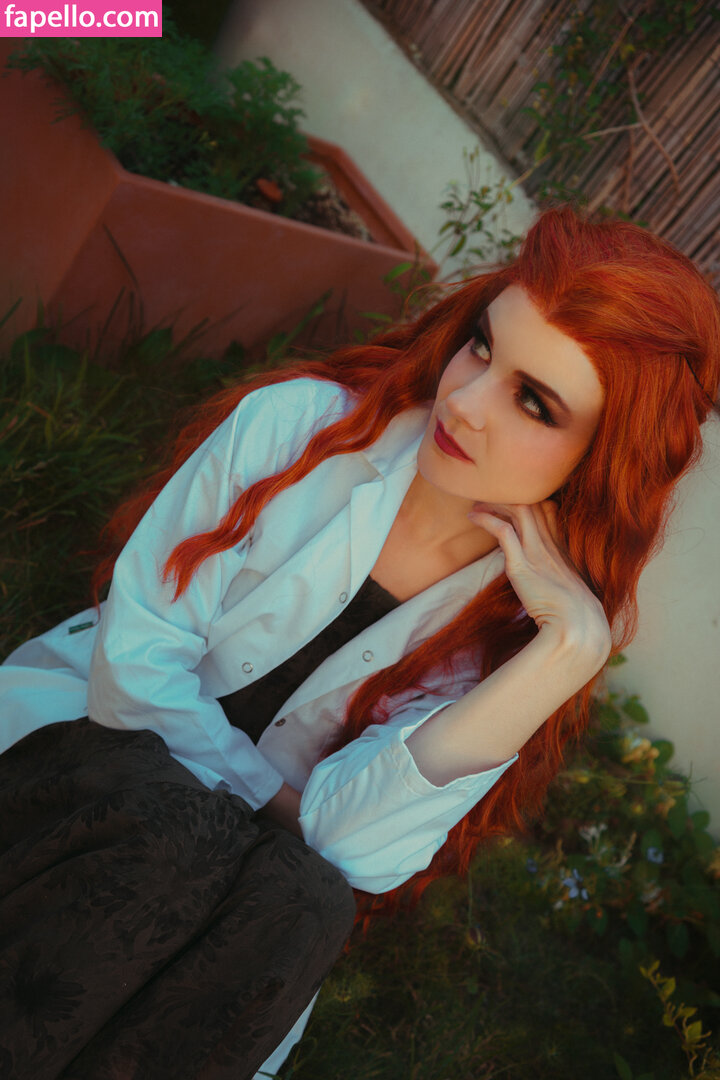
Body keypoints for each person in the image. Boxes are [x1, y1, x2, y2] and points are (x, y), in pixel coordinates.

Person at [1, 205, 719, 1080]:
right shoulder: (299, 431)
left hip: (237, 885)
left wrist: (568, 653)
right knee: (182, 839)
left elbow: (356, 852)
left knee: (309, 902)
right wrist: (279, 807)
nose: (464, 401)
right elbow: (133, 671)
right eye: (483, 348)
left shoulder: (512, 634)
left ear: (601, 460)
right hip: (80, 754)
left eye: (533, 402)